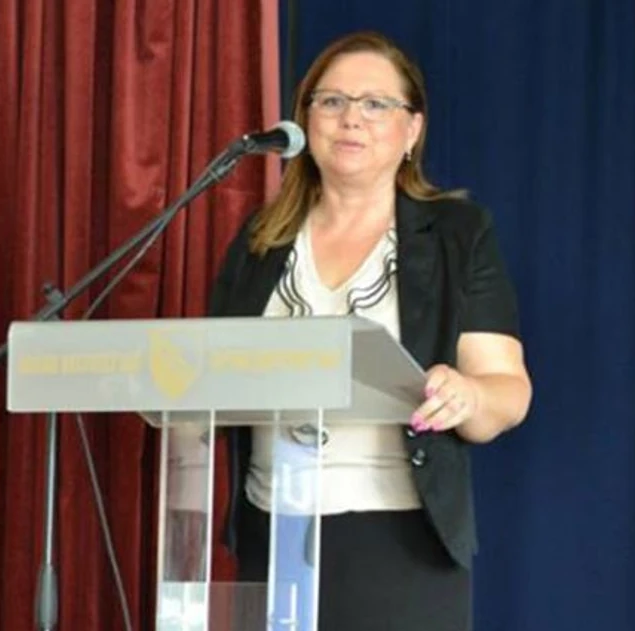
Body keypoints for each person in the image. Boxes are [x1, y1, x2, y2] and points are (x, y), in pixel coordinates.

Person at [207, 30, 532, 631]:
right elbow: (209, 376)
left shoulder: (457, 235)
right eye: (331, 101)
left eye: (375, 103)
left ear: (412, 131)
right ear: (306, 120)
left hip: (402, 542)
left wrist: (469, 395)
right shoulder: (259, 240)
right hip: (271, 531)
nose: (351, 118)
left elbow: (507, 392)